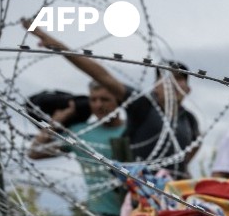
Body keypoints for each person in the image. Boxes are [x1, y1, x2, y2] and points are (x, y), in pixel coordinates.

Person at [23, 22, 200, 178]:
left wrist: (181, 169)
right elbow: (102, 76)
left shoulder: (189, 120)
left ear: (188, 89)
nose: (172, 85)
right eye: (165, 80)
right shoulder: (144, 106)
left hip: (172, 193)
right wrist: (57, 45)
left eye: (178, 79)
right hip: (142, 194)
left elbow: (193, 147)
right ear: (155, 87)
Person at [27, 81, 127, 216]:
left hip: (139, 211)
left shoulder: (132, 129)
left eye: (105, 99)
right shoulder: (80, 132)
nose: (98, 105)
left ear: (118, 101)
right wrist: (56, 122)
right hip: (104, 214)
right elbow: (35, 152)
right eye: (93, 100)